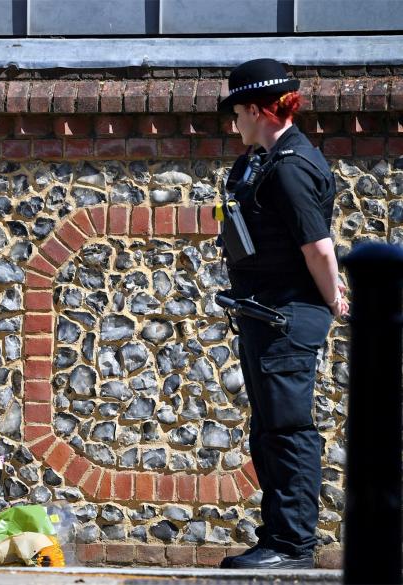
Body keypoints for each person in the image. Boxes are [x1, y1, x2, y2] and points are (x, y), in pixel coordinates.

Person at [215, 58, 348, 569]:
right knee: (269, 428)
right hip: (263, 312)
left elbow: (317, 246)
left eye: (239, 114)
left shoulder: (290, 167)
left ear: (258, 109)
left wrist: (334, 295)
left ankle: (292, 545)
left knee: (288, 428)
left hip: (287, 315)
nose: (236, 125)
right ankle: (277, 536)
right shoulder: (264, 160)